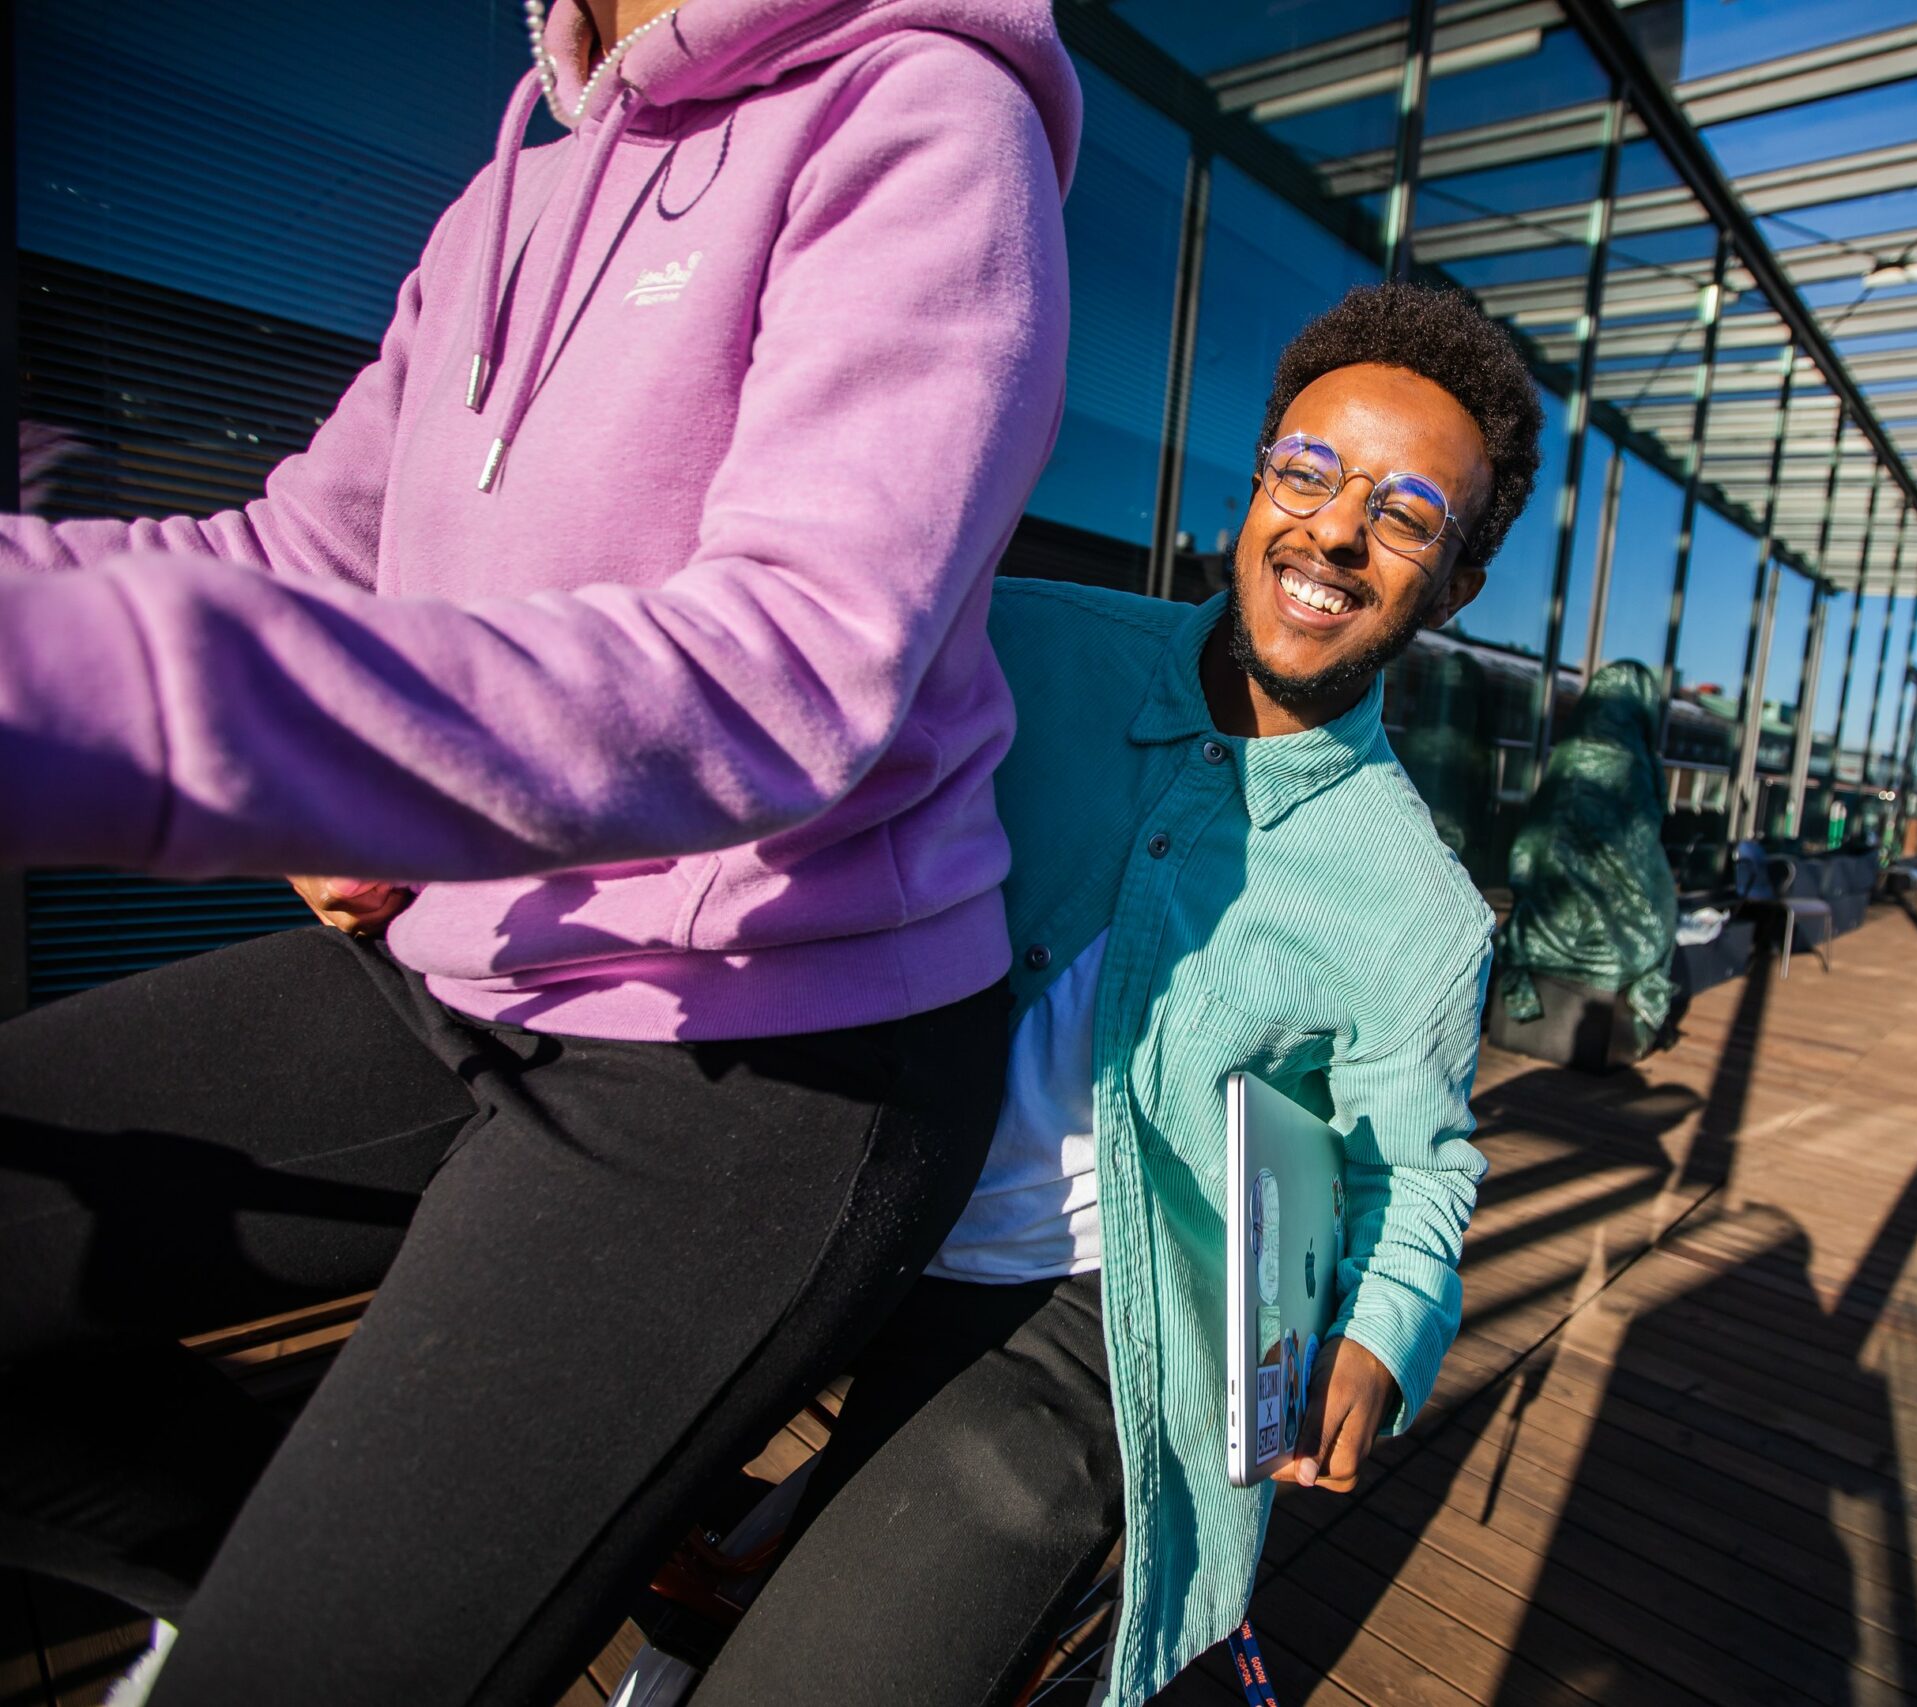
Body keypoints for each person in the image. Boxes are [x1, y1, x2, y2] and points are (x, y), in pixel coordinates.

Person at [0, 3, 1076, 1703]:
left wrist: (136, 709)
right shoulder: (501, 208)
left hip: (773, 1043)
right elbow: (302, 550)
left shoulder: (924, 114)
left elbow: (789, 669)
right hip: (467, 959)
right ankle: (430, 1569)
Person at [660, 282, 1544, 1706]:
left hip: (1082, 1317)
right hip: (830, 1193)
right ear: (1257, 481)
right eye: (1306, 471)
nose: (1330, 529)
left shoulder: (1422, 909)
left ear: (1455, 583)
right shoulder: (1021, 641)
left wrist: (1381, 1333)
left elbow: (1416, 1170)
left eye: (1403, 513)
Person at [1494, 659, 1683, 1054]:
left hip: (1546, 915)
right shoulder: (1636, 765)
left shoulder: (1569, 754)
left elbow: (1532, 841)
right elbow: (1641, 847)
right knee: (1660, 914)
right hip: (1611, 928)